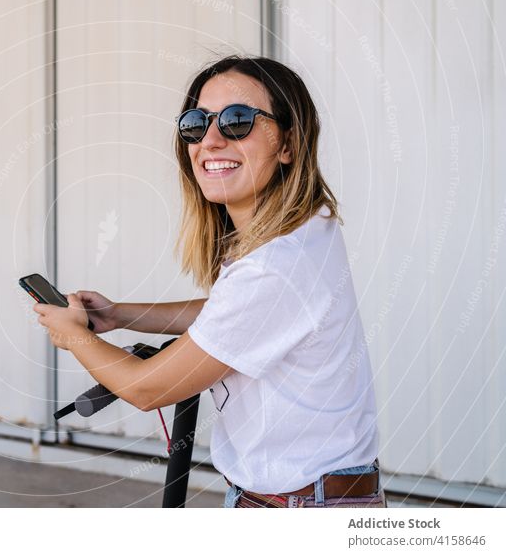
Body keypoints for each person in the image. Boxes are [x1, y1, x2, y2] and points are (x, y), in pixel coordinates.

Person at [33, 55, 386, 508]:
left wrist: (73, 336)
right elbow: (234, 315)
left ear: (288, 144)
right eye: (196, 124)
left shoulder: (275, 264)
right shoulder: (303, 230)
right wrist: (122, 315)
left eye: (238, 121)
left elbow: (147, 388)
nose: (210, 140)